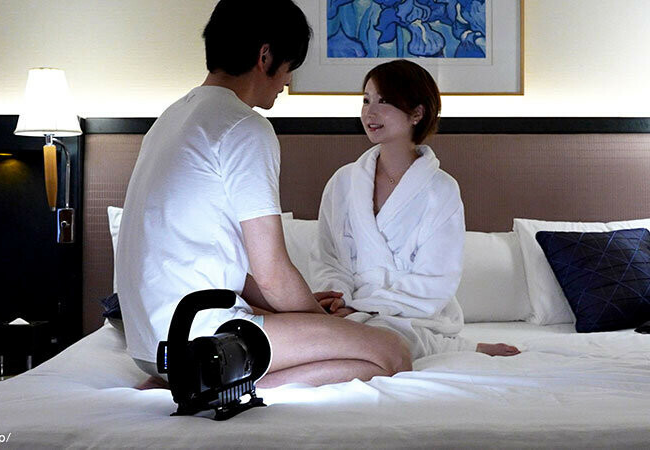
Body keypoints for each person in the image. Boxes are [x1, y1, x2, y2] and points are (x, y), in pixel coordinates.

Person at [116, 0, 412, 390]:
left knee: (347, 342)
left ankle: (191, 382)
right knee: (392, 352)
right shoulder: (243, 126)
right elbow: (271, 273)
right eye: (289, 68)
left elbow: (214, 262)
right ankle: (213, 389)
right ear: (265, 56)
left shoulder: (171, 118)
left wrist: (303, 310)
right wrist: (319, 324)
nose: (286, 82)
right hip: (204, 341)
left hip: (149, 345)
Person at [311, 60, 520, 360]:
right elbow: (328, 258)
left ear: (416, 114)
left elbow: (435, 279)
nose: (370, 112)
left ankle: (447, 345)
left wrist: (362, 308)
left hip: (412, 315)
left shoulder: (441, 190)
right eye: (366, 100)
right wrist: (337, 301)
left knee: (379, 341)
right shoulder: (343, 182)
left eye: (384, 101)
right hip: (346, 314)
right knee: (313, 336)